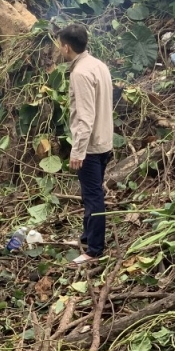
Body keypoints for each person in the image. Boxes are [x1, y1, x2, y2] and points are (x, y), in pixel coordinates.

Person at [58, 23, 114, 266]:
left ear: (67, 47)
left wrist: (78, 150)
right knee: (92, 194)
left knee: (93, 197)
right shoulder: (98, 65)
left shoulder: (80, 73)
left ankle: (94, 250)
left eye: (60, 45)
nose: (60, 49)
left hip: (90, 147)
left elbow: (85, 116)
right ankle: (87, 236)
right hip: (105, 141)